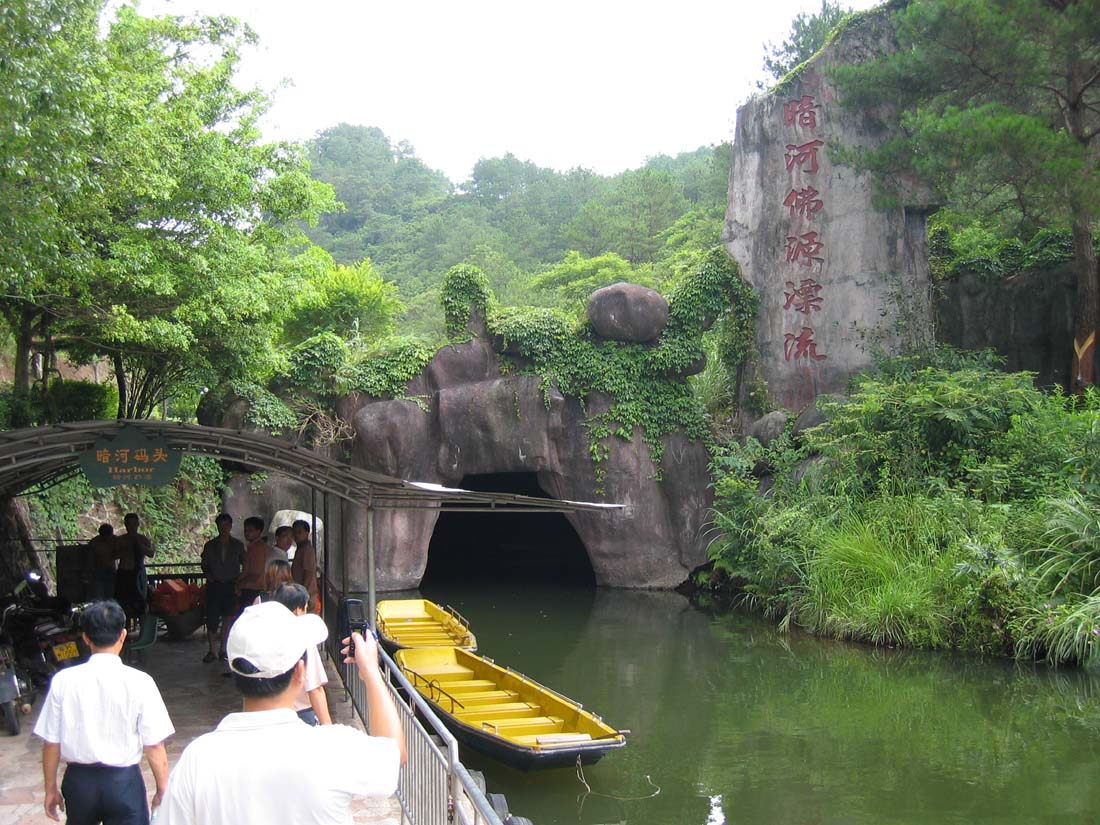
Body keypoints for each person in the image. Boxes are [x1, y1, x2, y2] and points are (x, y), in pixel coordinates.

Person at [156, 601, 405, 825]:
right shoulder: (332, 748)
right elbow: (395, 753)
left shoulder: (197, 760)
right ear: (300, 672)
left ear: (236, 671)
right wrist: (371, 671)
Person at [33, 599, 173, 825]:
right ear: (123, 635)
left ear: (86, 638)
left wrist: (50, 789)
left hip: (79, 783)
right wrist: (162, 789)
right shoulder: (140, 682)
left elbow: (51, 742)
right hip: (124, 783)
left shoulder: (63, 681)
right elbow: (154, 744)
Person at [272, 583, 331, 726]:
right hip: (300, 714)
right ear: (298, 610)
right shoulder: (305, 639)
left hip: (271, 713)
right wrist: (328, 728)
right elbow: (315, 688)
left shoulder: (267, 635)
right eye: (305, 608)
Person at [200, 513, 245, 664]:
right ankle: (212, 650)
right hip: (215, 585)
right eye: (221, 525)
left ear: (230, 526)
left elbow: (245, 564)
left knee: (228, 618)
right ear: (217, 526)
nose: (224, 528)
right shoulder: (210, 545)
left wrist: (239, 582)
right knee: (212, 618)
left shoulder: (237, 545)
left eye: (226, 525)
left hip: (231, 585)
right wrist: (209, 576)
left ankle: (223, 649)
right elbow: (204, 565)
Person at [114, 513, 153, 618]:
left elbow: (151, 553)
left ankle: (142, 623)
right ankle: (124, 623)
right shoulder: (121, 540)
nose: (131, 527)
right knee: (123, 602)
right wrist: (125, 550)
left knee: (140, 601)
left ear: (137, 524)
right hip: (123, 573)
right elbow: (113, 555)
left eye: (133, 524)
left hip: (138, 572)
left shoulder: (142, 539)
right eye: (129, 524)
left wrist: (139, 546)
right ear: (125, 525)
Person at [237, 516, 269, 609]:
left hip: (253, 589)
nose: (247, 533)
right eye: (245, 530)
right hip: (250, 587)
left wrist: (239, 584)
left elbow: (255, 572)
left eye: (250, 530)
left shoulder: (258, 548)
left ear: (258, 531)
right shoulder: (252, 547)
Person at [290, 519, 320, 614]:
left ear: (307, 533)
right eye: (294, 533)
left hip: (306, 596)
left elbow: (308, 572)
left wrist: (302, 593)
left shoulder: (307, 550)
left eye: (299, 532)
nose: (296, 535)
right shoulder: (301, 548)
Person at [88, 523, 117, 600]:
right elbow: (90, 559)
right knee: (99, 596)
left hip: (111, 571)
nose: (107, 539)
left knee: (111, 595)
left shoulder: (115, 540)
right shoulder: (94, 543)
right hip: (98, 571)